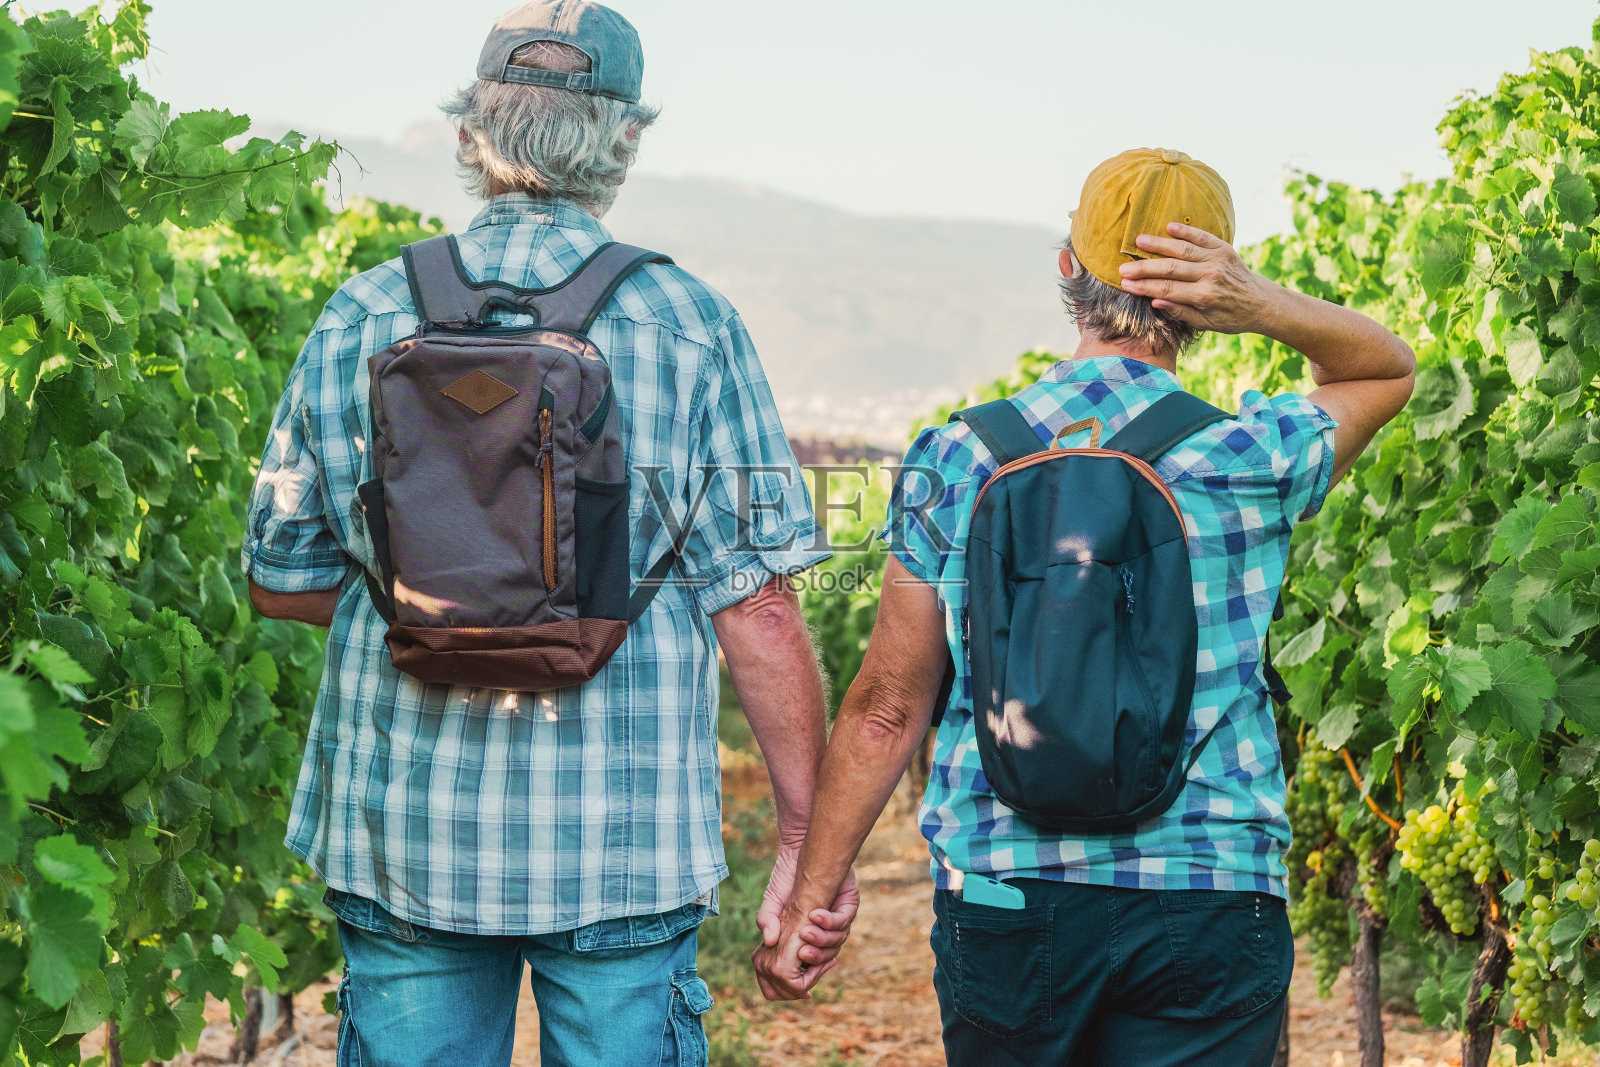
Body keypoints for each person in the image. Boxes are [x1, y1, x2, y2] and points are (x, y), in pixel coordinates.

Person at [242, 3, 856, 1064]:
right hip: (622, 840)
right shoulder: (689, 322)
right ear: (623, 139)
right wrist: (805, 840)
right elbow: (755, 604)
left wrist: (440, 582)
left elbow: (279, 582)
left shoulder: (360, 312)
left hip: (405, 833)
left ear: (468, 131)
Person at [753, 148, 1416, 1066]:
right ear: (1208, 292)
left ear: (1067, 267)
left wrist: (811, 895)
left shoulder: (959, 457)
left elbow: (887, 706)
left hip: (1007, 896)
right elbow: (1386, 369)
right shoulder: (1248, 457)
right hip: (1211, 891)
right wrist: (1264, 303)